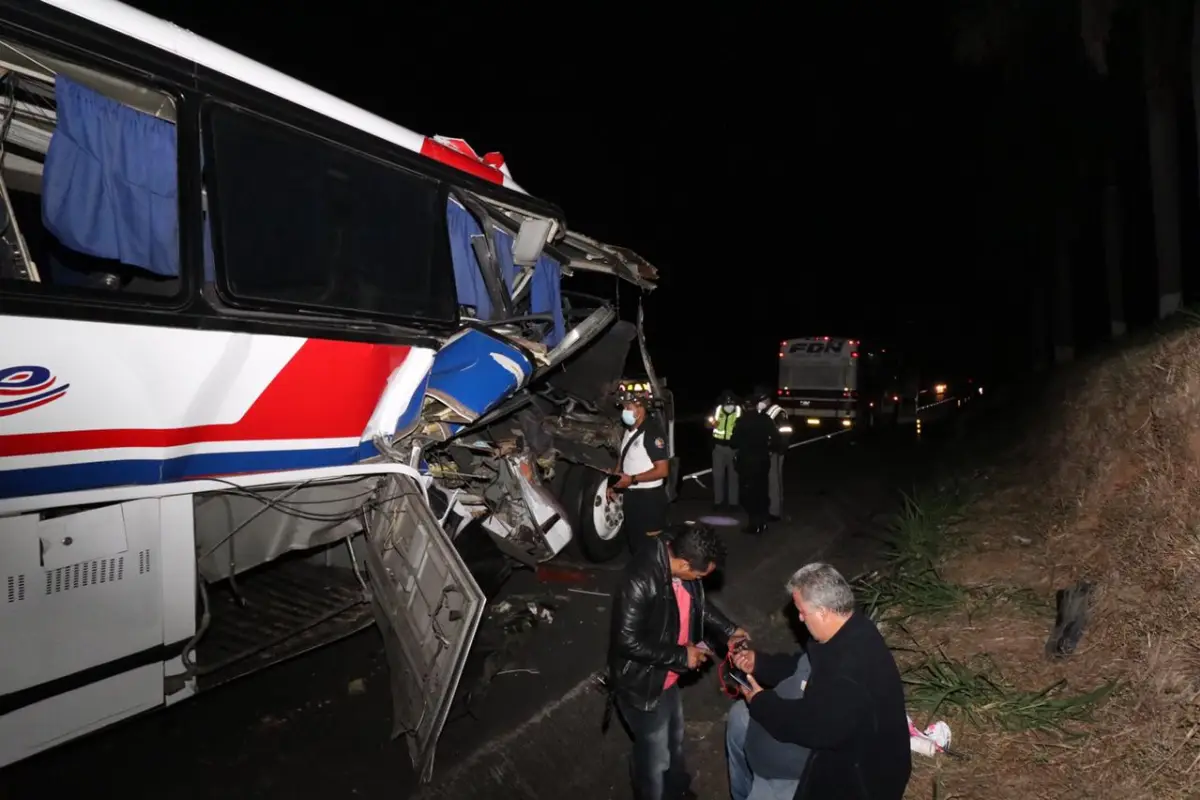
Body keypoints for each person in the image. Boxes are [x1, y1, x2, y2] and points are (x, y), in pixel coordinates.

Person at [732, 563, 911, 800]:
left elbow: (812, 727)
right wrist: (761, 664)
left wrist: (762, 702)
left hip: (854, 778)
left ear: (823, 612)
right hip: (831, 735)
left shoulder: (848, 673)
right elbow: (804, 667)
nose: (799, 617)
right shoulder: (849, 631)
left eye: (802, 611)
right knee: (739, 718)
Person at [608, 523, 750, 800]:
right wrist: (681, 655)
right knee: (655, 757)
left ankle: (678, 790)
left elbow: (699, 604)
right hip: (643, 682)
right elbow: (626, 641)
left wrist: (728, 630)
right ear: (684, 565)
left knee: (675, 740)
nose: (702, 581)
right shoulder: (640, 579)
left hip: (666, 676)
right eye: (700, 575)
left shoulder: (679, 556)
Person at [725, 651, 813, 799]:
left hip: (800, 769)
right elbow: (799, 666)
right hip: (784, 725)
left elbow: (821, 726)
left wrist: (763, 704)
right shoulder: (829, 642)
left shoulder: (854, 675)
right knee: (739, 715)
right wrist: (759, 664)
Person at [611, 393, 671, 555]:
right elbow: (623, 458)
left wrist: (632, 479)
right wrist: (613, 483)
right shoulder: (629, 431)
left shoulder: (652, 433)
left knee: (651, 548)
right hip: (632, 497)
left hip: (649, 500)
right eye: (623, 407)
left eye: (628, 407)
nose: (625, 411)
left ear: (640, 408)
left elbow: (663, 470)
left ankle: (655, 578)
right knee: (635, 542)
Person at [730, 388, 780, 535]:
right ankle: (762, 522)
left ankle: (754, 524)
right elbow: (776, 439)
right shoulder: (765, 420)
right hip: (763, 461)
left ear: (744, 407)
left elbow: (733, 443)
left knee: (748, 494)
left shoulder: (741, 422)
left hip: (746, 462)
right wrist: (768, 448)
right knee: (762, 491)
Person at [709, 390, 742, 511]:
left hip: (734, 448)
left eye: (731, 402)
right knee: (718, 475)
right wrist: (712, 423)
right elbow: (709, 423)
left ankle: (733, 503)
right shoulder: (717, 410)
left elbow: (743, 428)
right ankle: (718, 502)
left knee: (734, 476)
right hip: (718, 447)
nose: (729, 404)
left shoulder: (739, 412)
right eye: (726, 402)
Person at [763, 395, 792, 521]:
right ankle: (776, 506)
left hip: (775, 451)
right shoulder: (768, 411)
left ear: (767, 400)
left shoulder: (777, 412)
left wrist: (780, 449)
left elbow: (785, 430)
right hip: (773, 450)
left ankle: (774, 511)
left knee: (773, 480)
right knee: (774, 480)